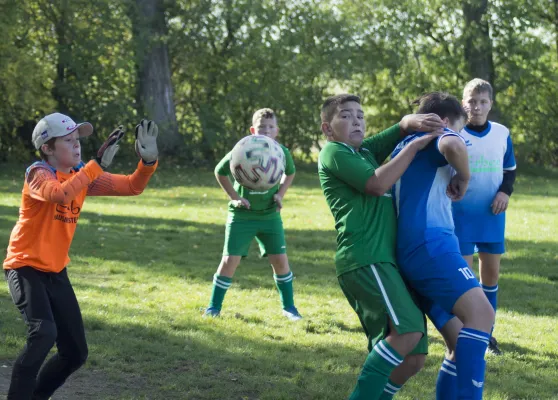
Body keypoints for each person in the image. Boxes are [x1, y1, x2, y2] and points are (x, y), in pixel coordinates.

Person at [3, 113, 159, 399]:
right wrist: (95, 166)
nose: (76, 146)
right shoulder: (38, 174)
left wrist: (147, 163)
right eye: (68, 141)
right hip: (23, 266)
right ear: (48, 148)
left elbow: (132, 186)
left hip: (55, 271)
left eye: (78, 140)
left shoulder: (81, 175)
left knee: (75, 353)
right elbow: (59, 195)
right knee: (43, 334)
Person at [318, 94, 445, 399]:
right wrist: (414, 146)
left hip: (386, 262)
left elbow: (396, 131)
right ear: (327, 129)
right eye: (346, 116)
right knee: (408, 330)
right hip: (365, 257)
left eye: (360, 115)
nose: (356, 121)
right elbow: (376, 184)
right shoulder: (334, 152)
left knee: (414, 356)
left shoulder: (363, 152)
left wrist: (408, 124)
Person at [392, 92, 495, 399]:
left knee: (458, 342)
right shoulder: (439, 134)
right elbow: (451, 144)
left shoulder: (405, 146)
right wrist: (464, 176)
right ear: (445, 122)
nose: (461, 137)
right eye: (461, 129)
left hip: (413, 253)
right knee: (483, 316)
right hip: (431, 248)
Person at [203, 108, 301, 320]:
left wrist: (281, 194)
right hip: (242, 216)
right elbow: (220, 171)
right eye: (261, 127)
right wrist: (234, 197)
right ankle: (213, 307)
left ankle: (289, 308)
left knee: (281, 261)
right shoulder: (242, 149)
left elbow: (290, 172)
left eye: (270, 127)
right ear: (252, 130)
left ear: (277, 131)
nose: (266, 131)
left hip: (269, 216)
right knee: (230, 261)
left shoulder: (281, 151)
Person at [453, 78, 517, 355]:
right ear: (463, 103)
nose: (476, 107)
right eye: (471, 101)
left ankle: (487, 337)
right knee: (464, 281)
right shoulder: (454, 134)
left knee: (489, 277)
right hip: (460, 217)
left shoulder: (502, 133)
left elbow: (510, 170)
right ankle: (465, 335)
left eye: (482, 102)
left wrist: (504, 193)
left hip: (492, 214)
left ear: (491, 104)